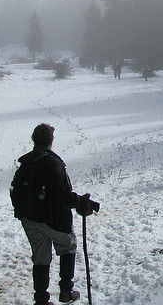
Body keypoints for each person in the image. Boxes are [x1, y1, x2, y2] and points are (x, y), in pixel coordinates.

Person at [11, 123, 99, 305]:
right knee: (68, 247)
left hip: (30, 219)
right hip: (54, 220)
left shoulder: (26, 163)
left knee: (40, 257)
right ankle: (66, 291)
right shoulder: (53, 164)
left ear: (34, 140)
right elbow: (62, 195)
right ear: (51, 141)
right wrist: (81, 202)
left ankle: (41, 299)